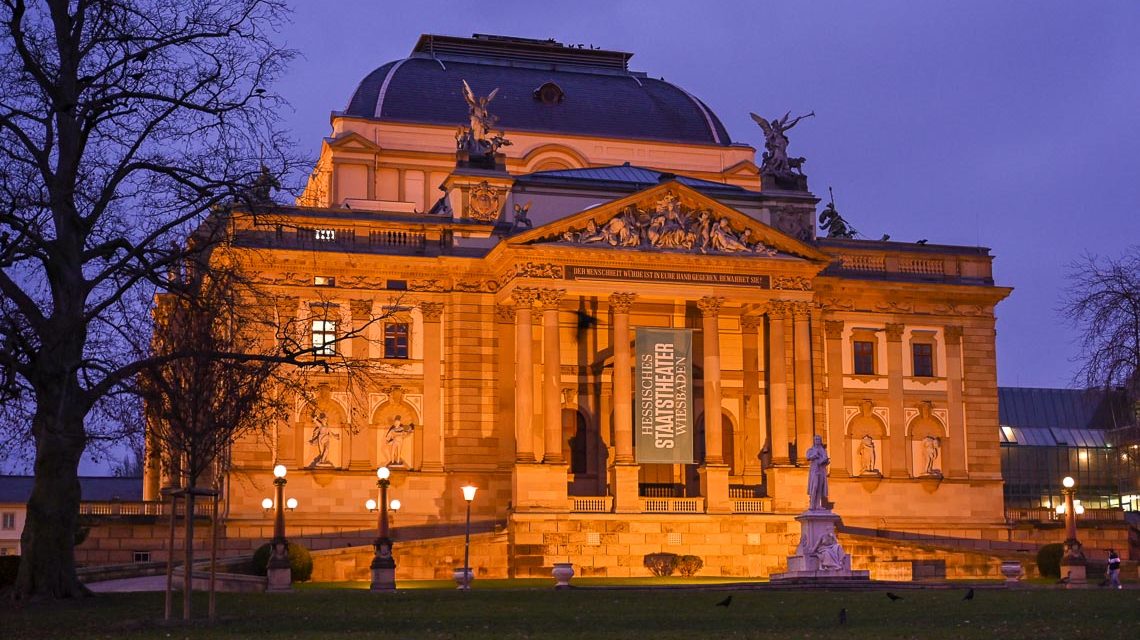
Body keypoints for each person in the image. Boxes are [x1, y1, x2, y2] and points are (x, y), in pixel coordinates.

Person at [805, 434, 830, 511]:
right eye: (816, 440)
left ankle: (818, 505)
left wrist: (825, 461)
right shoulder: (811, 450)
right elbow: (808, 457)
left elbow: (825, 459)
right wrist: (814, 456)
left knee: (820, 487)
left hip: (821, 470)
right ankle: (812, 504)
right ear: (814, 441)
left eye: (819, 439)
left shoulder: (823, 450)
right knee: (814, 486)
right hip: (814, 470)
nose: (817, 441)